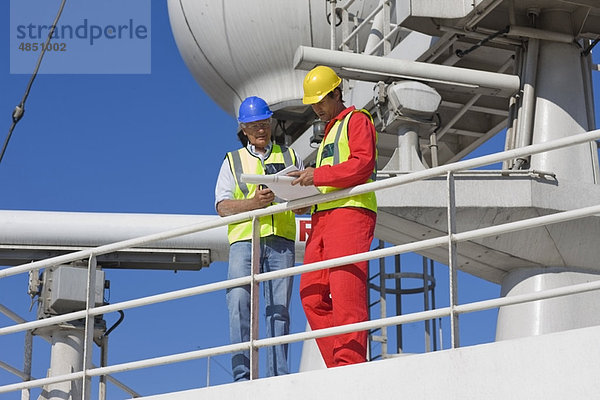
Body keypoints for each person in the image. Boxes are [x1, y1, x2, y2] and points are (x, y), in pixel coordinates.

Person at [288, 66, 377, 368]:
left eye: (321, 102)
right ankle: (341, 364)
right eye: (313, 104)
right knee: (311, 294)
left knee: (346, 293)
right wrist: (304, 200)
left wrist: (317, 176)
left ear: (337, 94)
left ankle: (348, 367)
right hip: (322, 218)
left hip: (350, 212)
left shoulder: (357, 120)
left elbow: (362, 165)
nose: (317, 109)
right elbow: (327, 181)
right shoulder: (328, 133)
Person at [215, 96, 304, 381]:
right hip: (245, 240)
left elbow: (304, 200)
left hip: (281, 239)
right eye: (254, 126)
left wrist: (298, 200)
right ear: (243, 128)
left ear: (271, 123)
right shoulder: (233, 160)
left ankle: (278, 376)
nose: (261, 130)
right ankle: (243, 378)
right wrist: (254, 204)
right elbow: (222, 206)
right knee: (239, 304)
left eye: (264, 123)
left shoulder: (290, 157)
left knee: (279, 310)